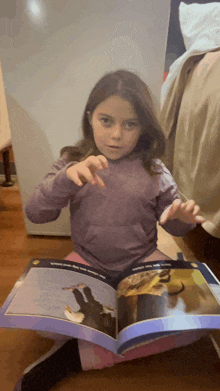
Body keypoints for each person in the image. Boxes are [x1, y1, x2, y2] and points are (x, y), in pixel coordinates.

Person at [15, 69, 206, 391]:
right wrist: (65, 179)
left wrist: (182, 221)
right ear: (90, 117)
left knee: (195, 327)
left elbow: (171, 224)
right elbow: (36, 214)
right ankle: (107, 336)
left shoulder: (154, 170)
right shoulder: (72, 161)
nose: (116, 135)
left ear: (143, 127)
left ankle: (74, 358)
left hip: (142, 263)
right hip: (89, 263)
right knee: (42, 324)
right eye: (106, 120)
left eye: (129, 124)